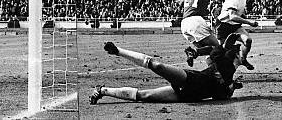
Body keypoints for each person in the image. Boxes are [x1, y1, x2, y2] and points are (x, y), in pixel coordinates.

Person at [89, 38, 242, 105]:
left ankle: (102, 90)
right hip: (189, 80)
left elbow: (221, 96)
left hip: (187, 97)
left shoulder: (229, 79)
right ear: (234, 57)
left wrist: (233, 87)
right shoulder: (223, 65)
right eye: (240, 55)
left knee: (145, 96)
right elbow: (214, 51)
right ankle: (118, 51)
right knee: (158, 66)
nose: (243, 57)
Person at [216, 0, 258, 70]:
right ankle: (219, 70)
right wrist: (249, 22)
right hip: (223, 25)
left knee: (248, 40)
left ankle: (243, 59)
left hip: (235, 26)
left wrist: (245, 17)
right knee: (223, 51)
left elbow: (239, 14)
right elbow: (232, 16)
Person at [180, 0, 220, 67]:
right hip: (195, 21)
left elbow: (180, 3)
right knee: (218, 48)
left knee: (208, 51)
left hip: (184, 23)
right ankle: (194, 52)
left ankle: (214, 72)